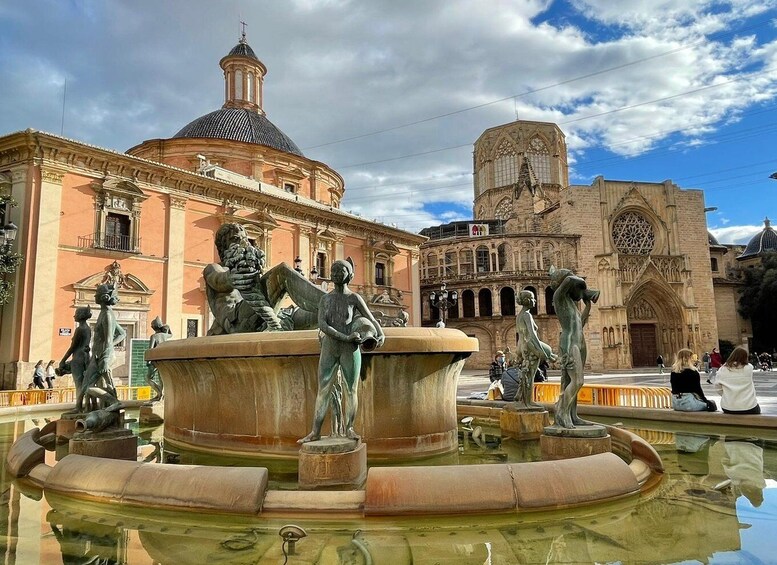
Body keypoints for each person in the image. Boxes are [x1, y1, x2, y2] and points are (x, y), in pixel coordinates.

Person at [299, 259, 384, 443]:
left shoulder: (354, 298)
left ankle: (350, 429)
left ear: (350, 275)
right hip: (332, 347)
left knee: (351, 390)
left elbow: (370, 317)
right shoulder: (325, 299)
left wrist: (380, 333)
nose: (336, 273)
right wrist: (345, 337)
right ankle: (315, 431)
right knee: (323, 389)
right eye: (334, 270)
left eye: (342, 270)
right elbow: (322, 324)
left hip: (350, 349)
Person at [204, 223, 324, 334]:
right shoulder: (214, 268)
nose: (242, 243)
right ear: (223, 245)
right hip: (237, 320)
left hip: (263, 315)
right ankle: (330, 301)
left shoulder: (250, 267)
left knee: (319, 315)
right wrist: (234, 276)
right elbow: (219, 280)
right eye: (235, 239)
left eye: (245, 240)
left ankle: (338, 308)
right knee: (281, 272)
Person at [549, 266, 600, 429]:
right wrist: (585, 286)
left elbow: (581, 323)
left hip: (579, 342)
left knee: (570, 381)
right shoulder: (559, 297)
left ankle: (573, 415)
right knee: (577, 381)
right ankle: (561, 411)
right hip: (570, 343)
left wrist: (587, 305)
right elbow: (570, 280)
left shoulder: (571, 303)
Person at [714, 346, 760, 415]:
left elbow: (717, 387)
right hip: (749, 406)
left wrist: (727, 395)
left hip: (728, 407)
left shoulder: (722, 369)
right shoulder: (749, 368)